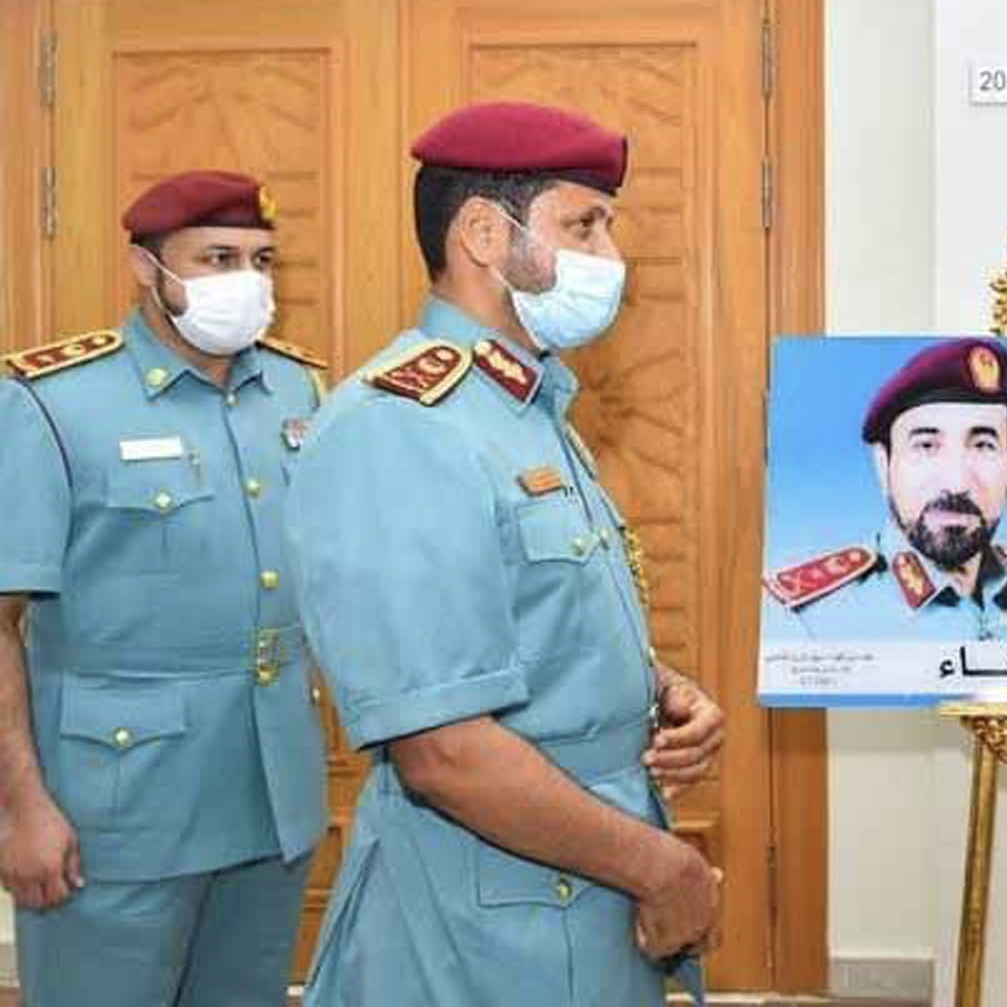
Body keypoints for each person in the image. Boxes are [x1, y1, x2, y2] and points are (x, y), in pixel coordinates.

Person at [284, 101, 725, 1006]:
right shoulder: (401, 426)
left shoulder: (520, 408)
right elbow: (441, 748)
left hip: (569, 888)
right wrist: (662, 867)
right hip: (481, 926)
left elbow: (523, 630)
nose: (609, 256)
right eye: (584, 224)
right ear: (486, 233)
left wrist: (655, 689)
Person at [0, 170, 328, 1004]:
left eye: (262, 260)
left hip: (271, 797)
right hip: (117, 815)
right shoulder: (51, 401)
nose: (247, 283)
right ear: (148, 269)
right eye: (217, 257)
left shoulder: (298, 389)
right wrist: (18, 809)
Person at [762, 338, 1007, 641]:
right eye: (926, 445)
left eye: (983, 445)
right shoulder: (811, 618)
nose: (956, 483)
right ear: (883, 464)